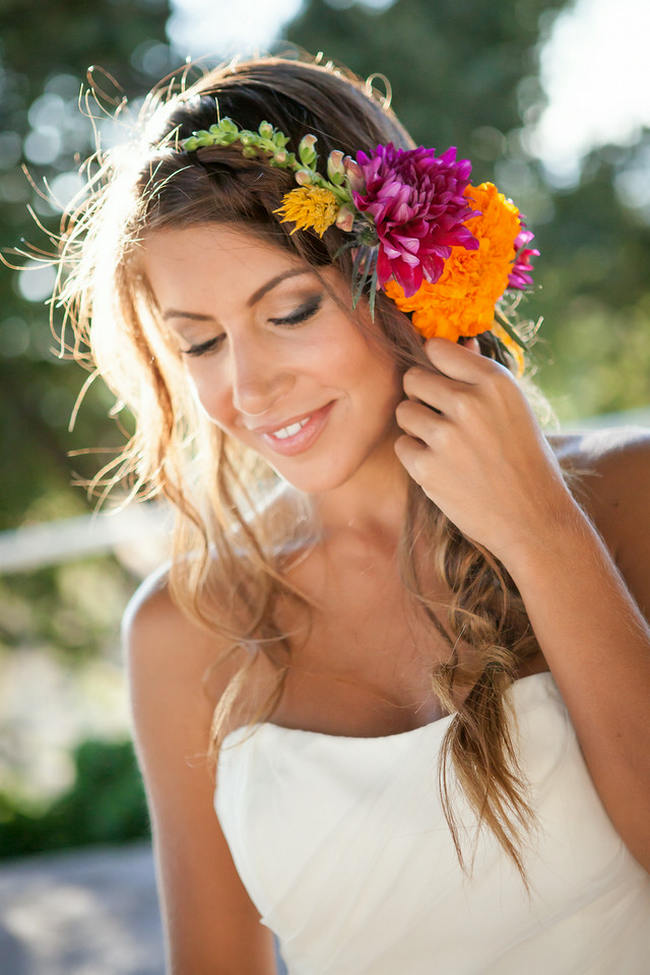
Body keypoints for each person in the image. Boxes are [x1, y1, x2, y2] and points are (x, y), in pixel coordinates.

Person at [51, 50, 649, 974]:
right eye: (200, 342)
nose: (247, 387)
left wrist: (541, 533)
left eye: (289, 311)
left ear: (407, 271)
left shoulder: (627, 497)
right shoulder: (184, 632)